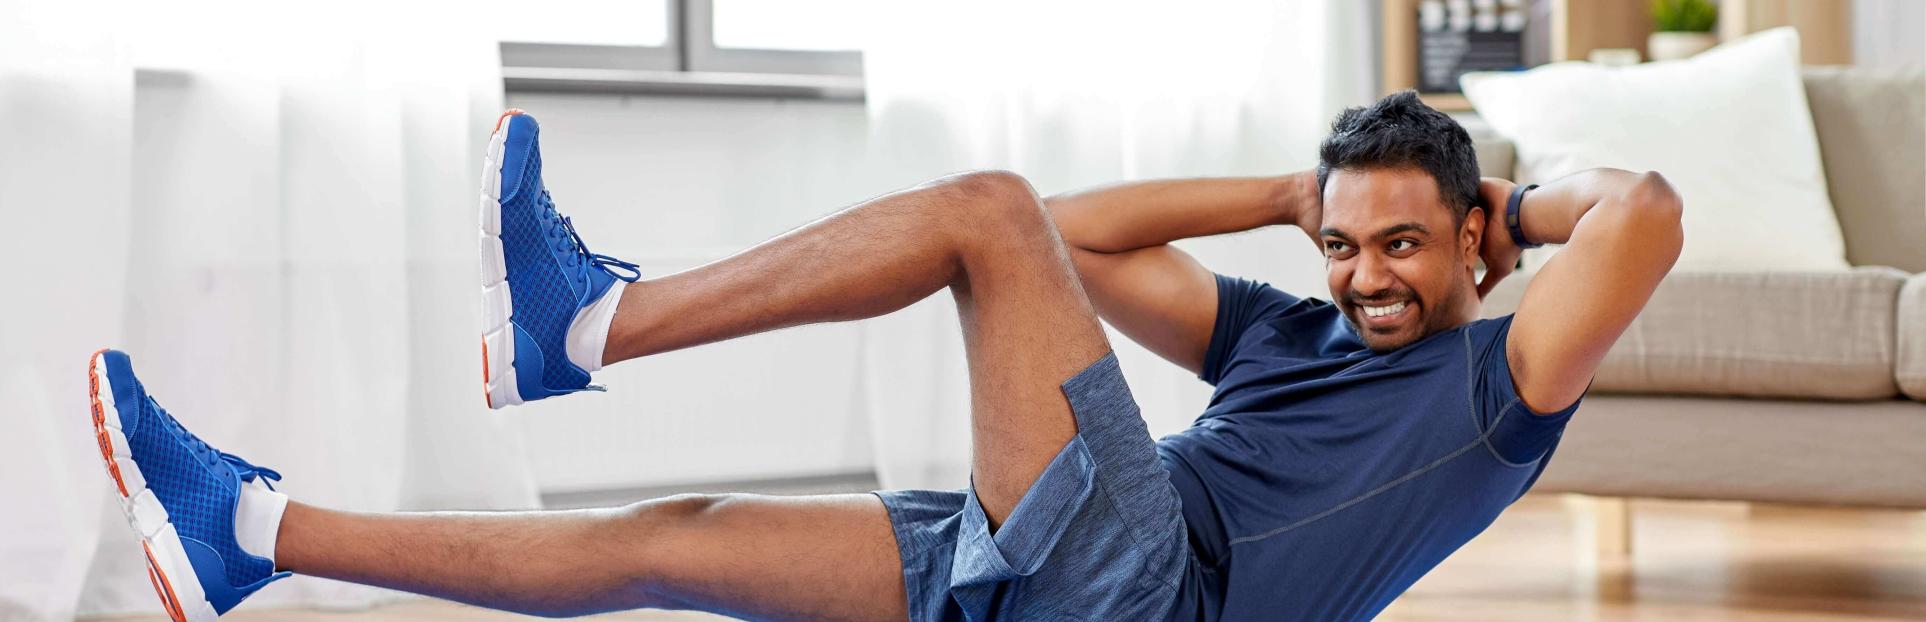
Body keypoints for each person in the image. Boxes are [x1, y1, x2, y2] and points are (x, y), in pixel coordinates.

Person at [85, 91, 1682, 622]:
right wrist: (1287, 195)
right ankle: (251, 538)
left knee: (974, 210)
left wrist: (1501, 206)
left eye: (1402, 245)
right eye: (1342, 246)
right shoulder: (1285, 330)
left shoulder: (1502, 389)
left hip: (1151, 586)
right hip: (1055, 554)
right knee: (672, 542)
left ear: (1472, 240)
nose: (1365, 276)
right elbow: (1078, 239)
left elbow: (1649, 211)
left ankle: (588, 321)